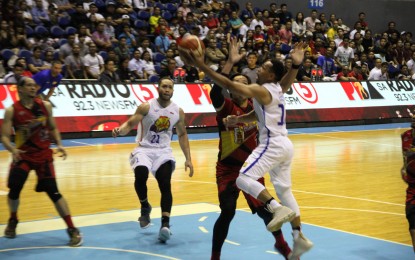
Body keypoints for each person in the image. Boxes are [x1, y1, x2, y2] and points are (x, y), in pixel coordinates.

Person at [181, 39, 313, 259]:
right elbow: (278, 88)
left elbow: (230, 84)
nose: (256, 70)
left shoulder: (259, 92)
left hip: (267, 148)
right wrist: (295, 66)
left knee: (247, 183)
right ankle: (298, 236)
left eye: (262, 68)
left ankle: (276, 215)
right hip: (256, 156)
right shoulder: (267, 93)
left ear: (269, 76)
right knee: (282, 192)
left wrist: (202, 67)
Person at [210, 50, 293, 260]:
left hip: (250, 166)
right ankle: (215, 255)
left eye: (241, 81)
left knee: (266, 213)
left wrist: (294, 67)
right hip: (228, 169)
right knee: (227, 212)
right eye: (235, 82)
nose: (237, 85)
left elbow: (281, 88)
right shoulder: (227, 107)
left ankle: (282, 245)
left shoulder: (259, 106)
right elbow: (215, 93)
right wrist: (229, 63)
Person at [1, 76, 82, 247]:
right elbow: (4, 137)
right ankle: (13, 219)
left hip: (43, 155)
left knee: (53, 191)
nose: (33, 88)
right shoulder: (12, 110)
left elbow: (53, 127)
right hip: (22, 155)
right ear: (20, 89)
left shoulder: (44, 106)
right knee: (14, 188)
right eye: (29, 86)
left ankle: (72, 229)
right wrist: (13, 149)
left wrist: (59, 144)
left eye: (34, 85)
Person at [112, 77, 194, 242]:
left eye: (170, 87)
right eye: (164, 86)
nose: (167, 89)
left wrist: (188, 159)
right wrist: (119, 130)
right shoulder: (146, 106)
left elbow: (183, 134)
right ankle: (145, 205)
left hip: (164, 151)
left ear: (173, 91)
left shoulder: (178, 111)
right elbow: (129, 123)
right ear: (158, 88)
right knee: (140, 176)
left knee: (165, 183)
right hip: (144, 149)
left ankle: (165, 224)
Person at [401, 115, 415, 254]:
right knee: (412, 229)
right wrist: (404, 170)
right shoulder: (405, 136)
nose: (413, 117)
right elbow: (405, 162)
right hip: (412, 192)